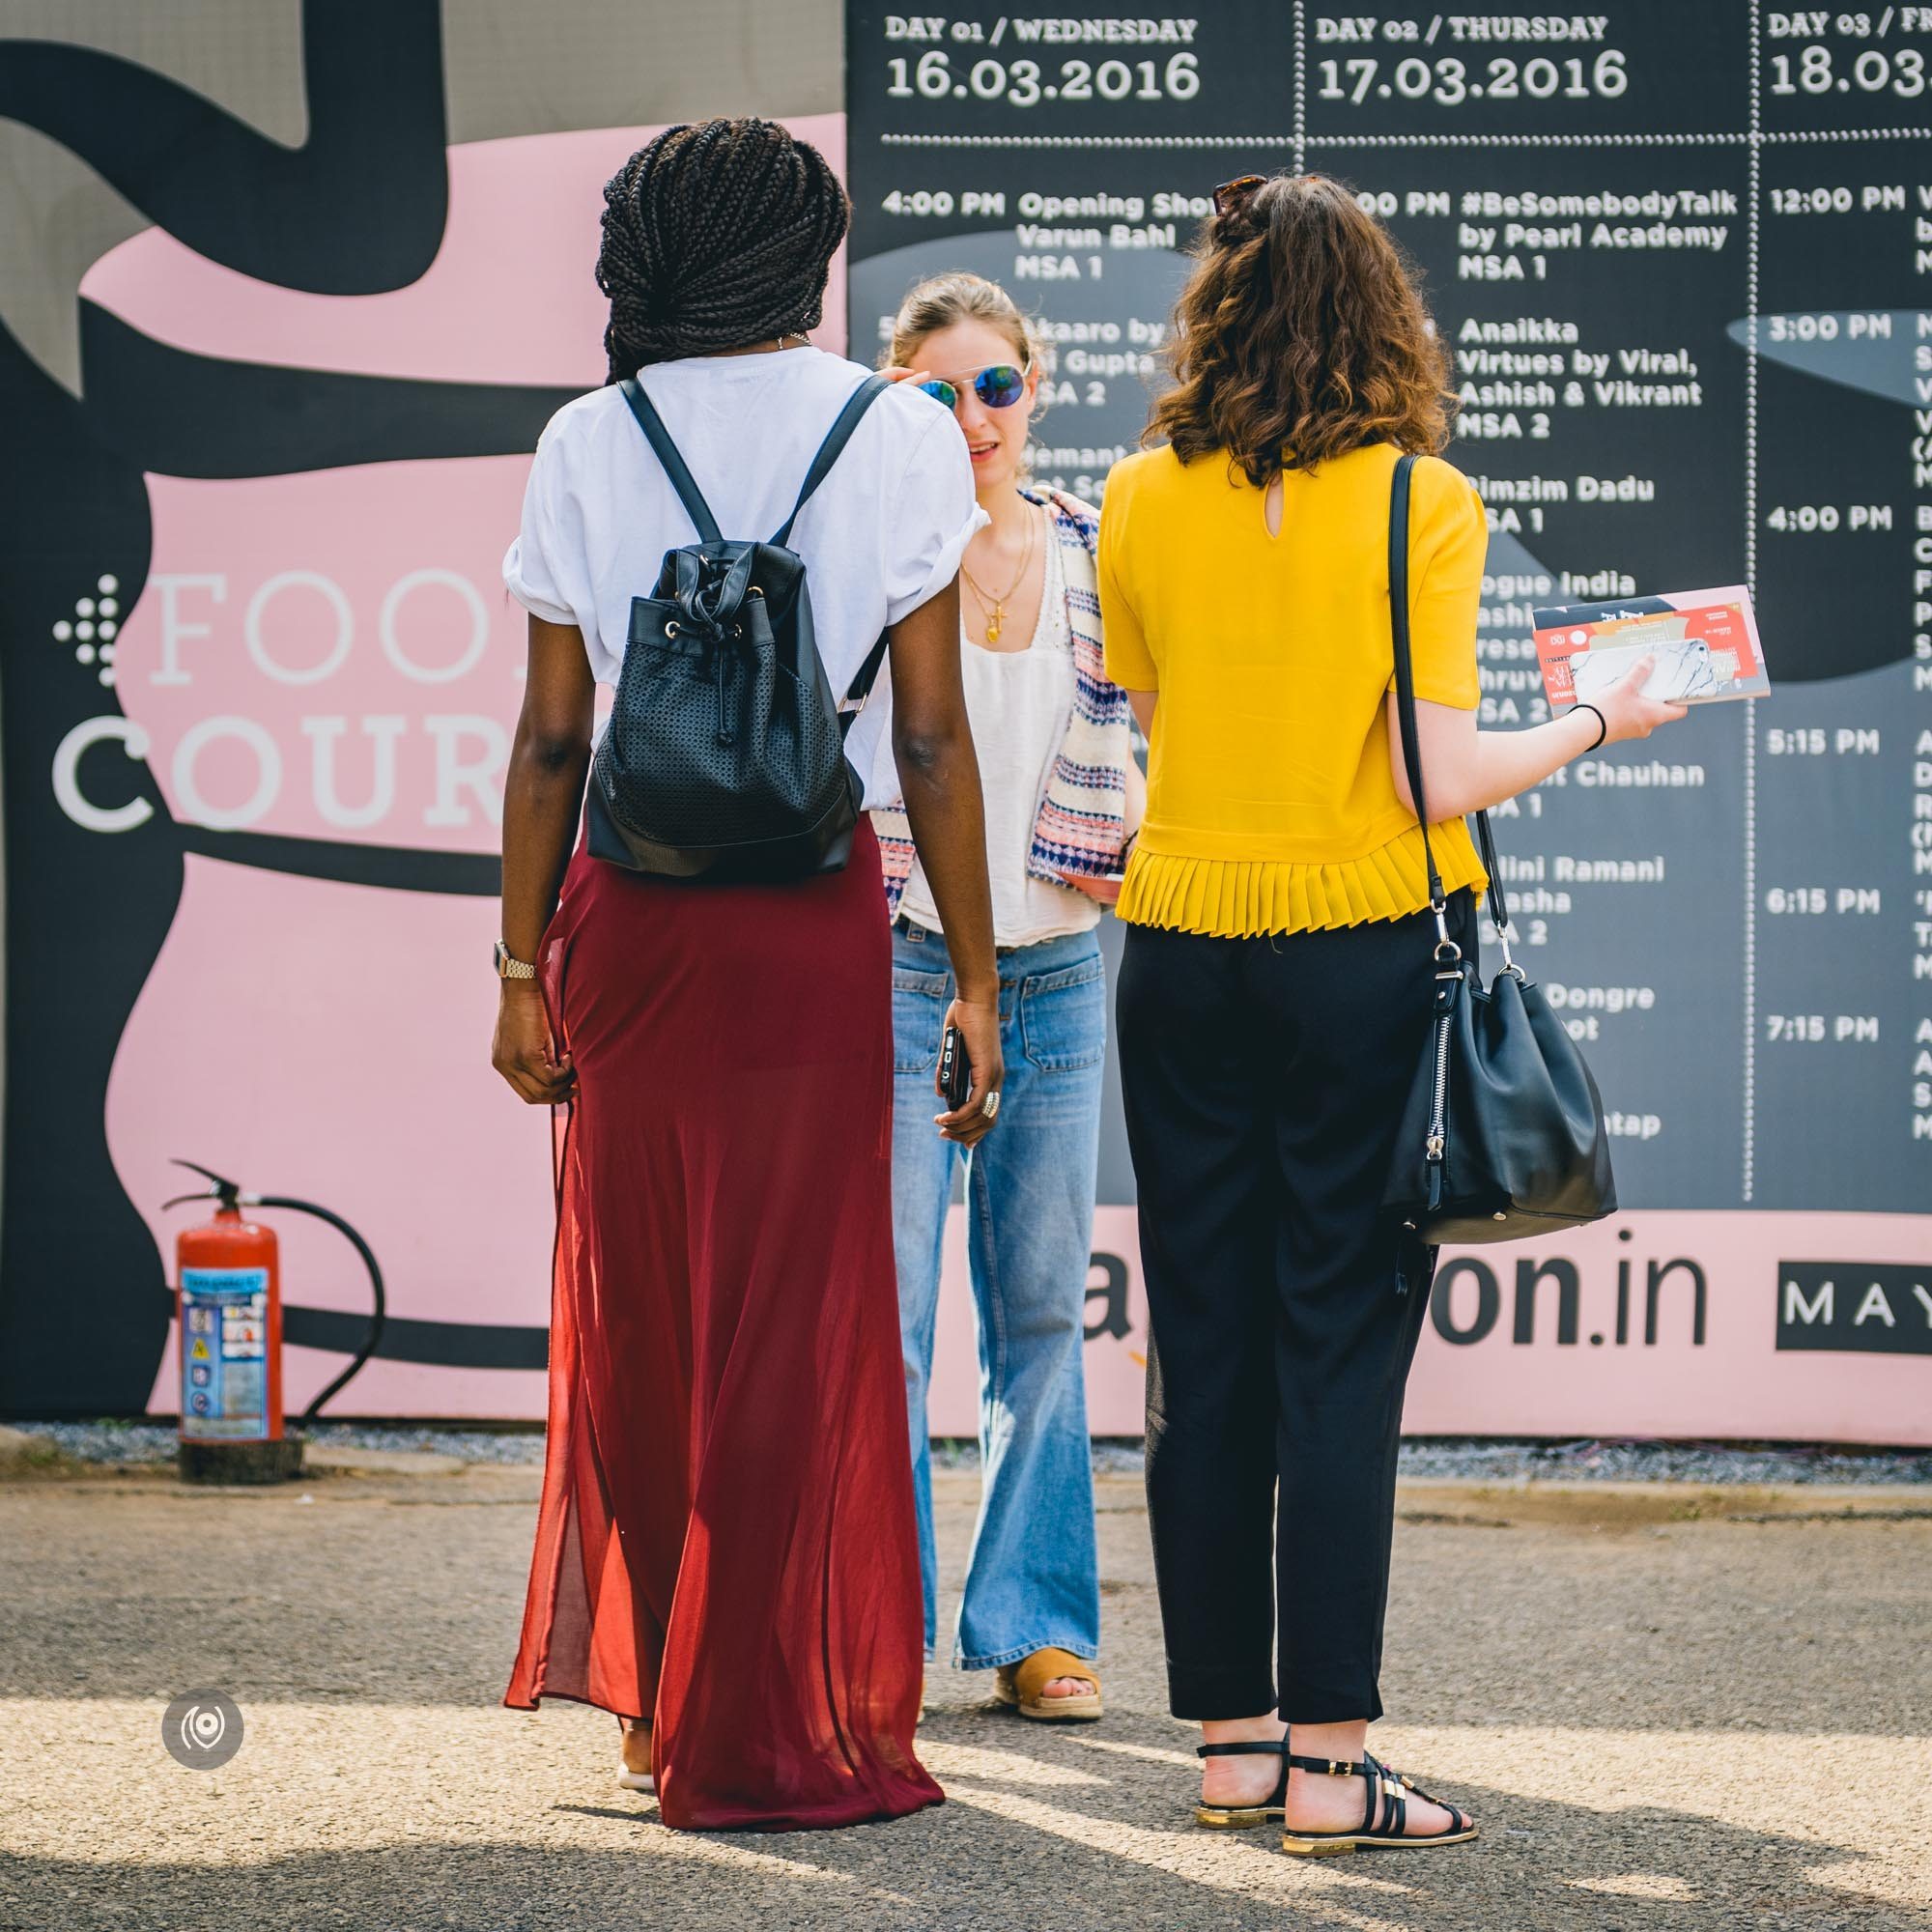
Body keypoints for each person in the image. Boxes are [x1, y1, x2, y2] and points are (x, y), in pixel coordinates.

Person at [1096, 171, 1685, 1854]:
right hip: (1360, 955)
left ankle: (1229, 1745)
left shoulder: (1134, 496)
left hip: (1182, 947)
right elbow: (1435, 773)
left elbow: (1158, 706)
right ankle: (1339, 1771)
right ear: (1383, 317)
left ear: (1212, 312)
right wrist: (1594, 720)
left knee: (1202, 1352)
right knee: (1339, 1355)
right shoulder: (1424, 500)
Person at [491, 119, 1006, 1833]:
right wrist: (979, 983)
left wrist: (513, 970)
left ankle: (651, 1714)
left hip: (630, 927)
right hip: (813, 917)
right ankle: (755, 1711)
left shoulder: (587, 438)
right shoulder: (901, 435)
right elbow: (928, 738)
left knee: (640, 1310)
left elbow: (554, 737)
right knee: (791, 1321)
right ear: (807, 259)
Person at [870, 273, 1143, 1720]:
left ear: (1035, 394)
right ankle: (877, 1636)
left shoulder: (1103, 552)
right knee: (889, 1317)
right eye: (936, 391)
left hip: (1055, 968)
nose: (972, 417)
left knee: (1039, 1311)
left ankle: (1036, 1625)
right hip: (905, 965)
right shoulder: (874, 555)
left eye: (996, 388)